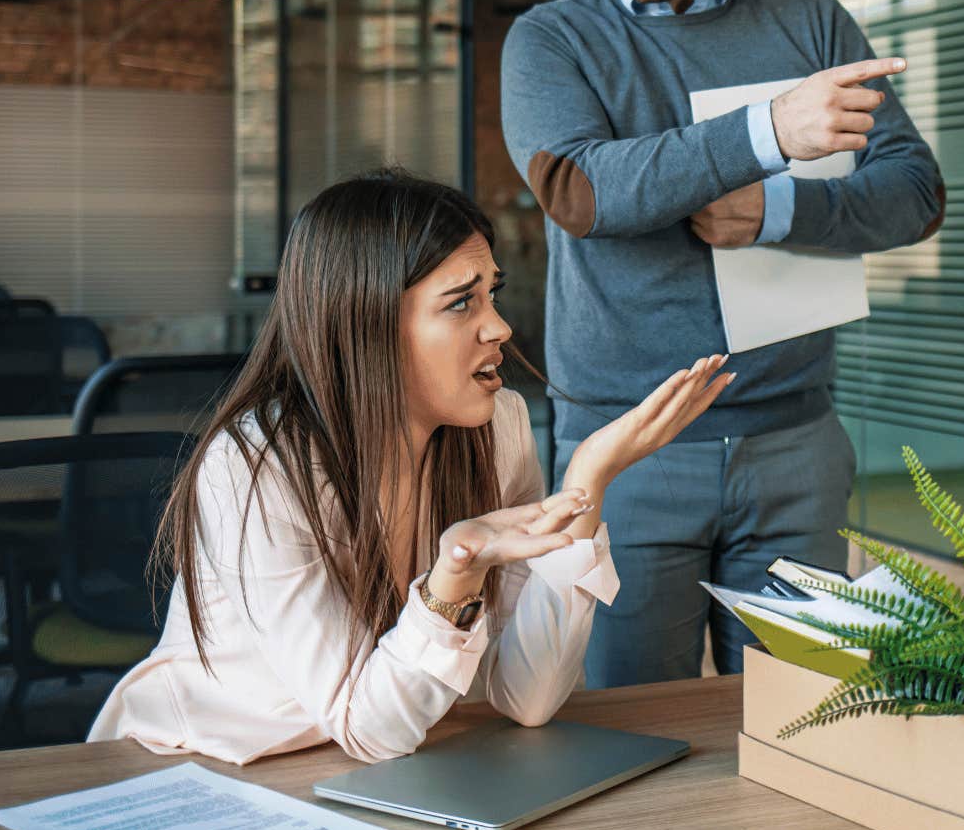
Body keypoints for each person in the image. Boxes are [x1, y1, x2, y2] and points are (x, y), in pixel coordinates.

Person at [500, 0, 946, 686]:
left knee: (808, 725)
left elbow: (913, 192)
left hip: (794, 442)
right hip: (625, 448)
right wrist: (770, 134)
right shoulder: (551, 41)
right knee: (633, 733)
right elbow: (580, 187)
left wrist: (780, 209)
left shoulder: (808, 21)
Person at [89, 170, 731, 764]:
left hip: (375, 767)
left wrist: (586, 485)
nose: (500, 328)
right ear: (368, 326)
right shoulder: (256, 467)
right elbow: (369, 727)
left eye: (492, 296)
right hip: (201, 766)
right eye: (461, 304)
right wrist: (457, 569)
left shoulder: (498, 428)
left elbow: (528, 700)